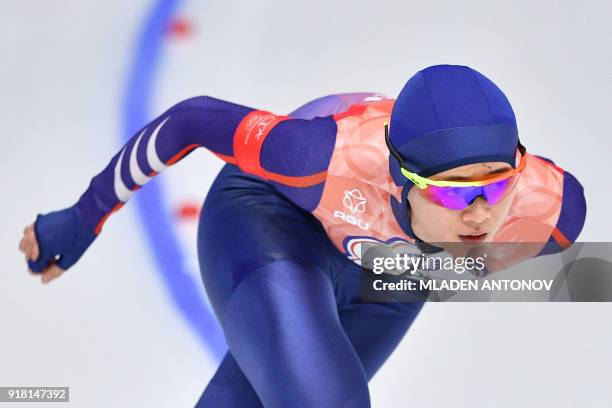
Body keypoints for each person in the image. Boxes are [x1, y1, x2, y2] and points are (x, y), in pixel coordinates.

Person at [18, 65, 586, 407]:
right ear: (400, 178)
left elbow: (561, 263)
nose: (482, 216)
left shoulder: (550, 211)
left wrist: (439, 266)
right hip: (270, 222)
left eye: (499, 184)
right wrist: (83, 215)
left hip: (387, 270)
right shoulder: (315, 158)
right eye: (454, 192)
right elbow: (191, 120)